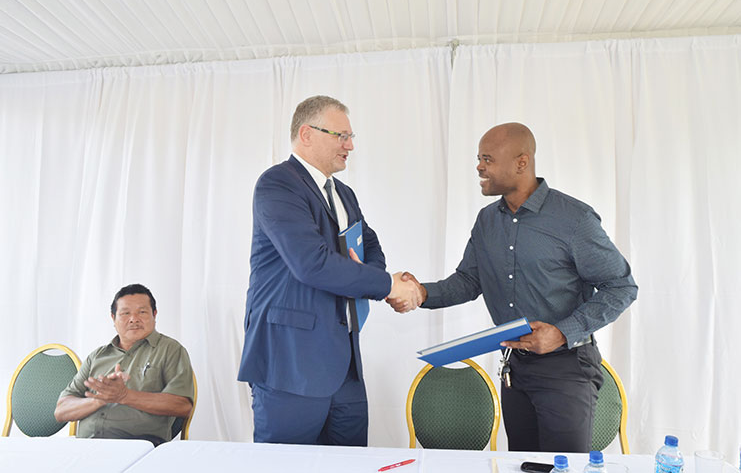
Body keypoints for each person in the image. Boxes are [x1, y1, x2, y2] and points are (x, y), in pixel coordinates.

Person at [389, 122, 638, 452]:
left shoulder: (574, 220)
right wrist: (422, 293)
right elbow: (468, 281)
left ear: (522, 162)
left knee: (561, 468)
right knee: (521, 465)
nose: (479, 166)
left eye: (488, 159)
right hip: (515, 368)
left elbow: (621, 286)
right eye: (479, 158)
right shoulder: (487, 221)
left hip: (566, 369)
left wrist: (562, 332)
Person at [237, 95, 422, 446]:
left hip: (345, 368)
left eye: (351, 137)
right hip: (290, 364)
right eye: (342, 136)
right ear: (306, 134)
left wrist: (377, 282)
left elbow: (370, 244)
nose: (350, 146)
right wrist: (387, 286)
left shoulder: (345, 193)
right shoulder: (277, 184)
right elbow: (312, 264)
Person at [54, 284, 194, 446]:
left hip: (139, 445)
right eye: (125, 313)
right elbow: (61, 410)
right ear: (113, 318)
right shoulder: (97, 356)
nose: (134, 319)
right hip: (87, 446)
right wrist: (99, 400)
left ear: (154, 315)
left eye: (142, 312)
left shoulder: (170, 350)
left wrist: (125, 396)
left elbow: (182, 406)